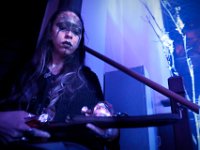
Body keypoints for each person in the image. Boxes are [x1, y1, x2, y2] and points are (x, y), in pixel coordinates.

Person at [0, 7, 119, 150]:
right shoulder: (21, 68)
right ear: (50, 32)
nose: (69, 34)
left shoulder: (89, 79)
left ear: (79, 39)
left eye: (76, 31)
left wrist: (111, 131)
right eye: (62, 27)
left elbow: (105, 124)